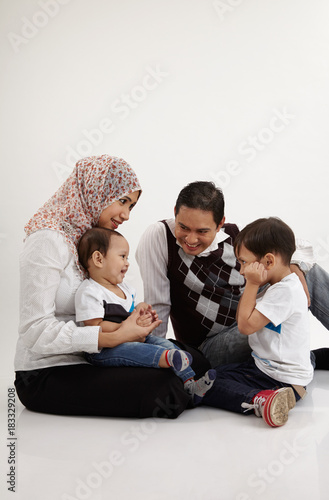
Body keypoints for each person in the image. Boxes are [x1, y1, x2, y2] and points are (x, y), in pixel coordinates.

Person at [14, 155, 211, 419]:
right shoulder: (47, 241)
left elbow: (106, 299)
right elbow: (34, 331)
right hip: (49, 370)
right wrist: (116, 336)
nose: (126, 215)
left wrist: (134, 321)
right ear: (95, 190)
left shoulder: (93, 239)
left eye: (132, 206)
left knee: (195, 359)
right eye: (122, 201)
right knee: (166, 388)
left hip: (96, 355)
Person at [135, 181, 329, 368]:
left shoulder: (235, 235)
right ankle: (304, 360)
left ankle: (302, 359)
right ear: (175, 212)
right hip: (209, 345)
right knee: (276, 300)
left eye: (202, 231)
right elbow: (158, 305)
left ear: (220, 224)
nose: (191, 239)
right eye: (184, 227)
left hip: (249, 318)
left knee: (304, 272)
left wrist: (295, 266)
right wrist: (155, 360)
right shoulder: (159, 236)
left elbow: (296, 247)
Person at [75, 226, 216, 404]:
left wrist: (140, 312)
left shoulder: (125, 289)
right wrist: (124, 328)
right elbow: (94, 327)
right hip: (104, 350)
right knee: (139, 350)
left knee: (164, 343)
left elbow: (131, 315)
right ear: (98, 259)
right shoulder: (90, 291)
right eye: (122, 256)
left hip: (131, 337)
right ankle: (165, 358)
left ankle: (190, 383)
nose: (127, 262)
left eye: (127, 257)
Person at [202, 217, 313, 427]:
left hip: (279, 379)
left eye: (244, 262)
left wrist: (252, 284)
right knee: (214, 375)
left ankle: (262, 400)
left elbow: (244, 326)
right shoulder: (279, 285)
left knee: (209, 384)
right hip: (268, 368)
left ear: (269, 261)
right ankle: (318, 359)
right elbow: (243, 318)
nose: (242, 271)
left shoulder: (285, 291)